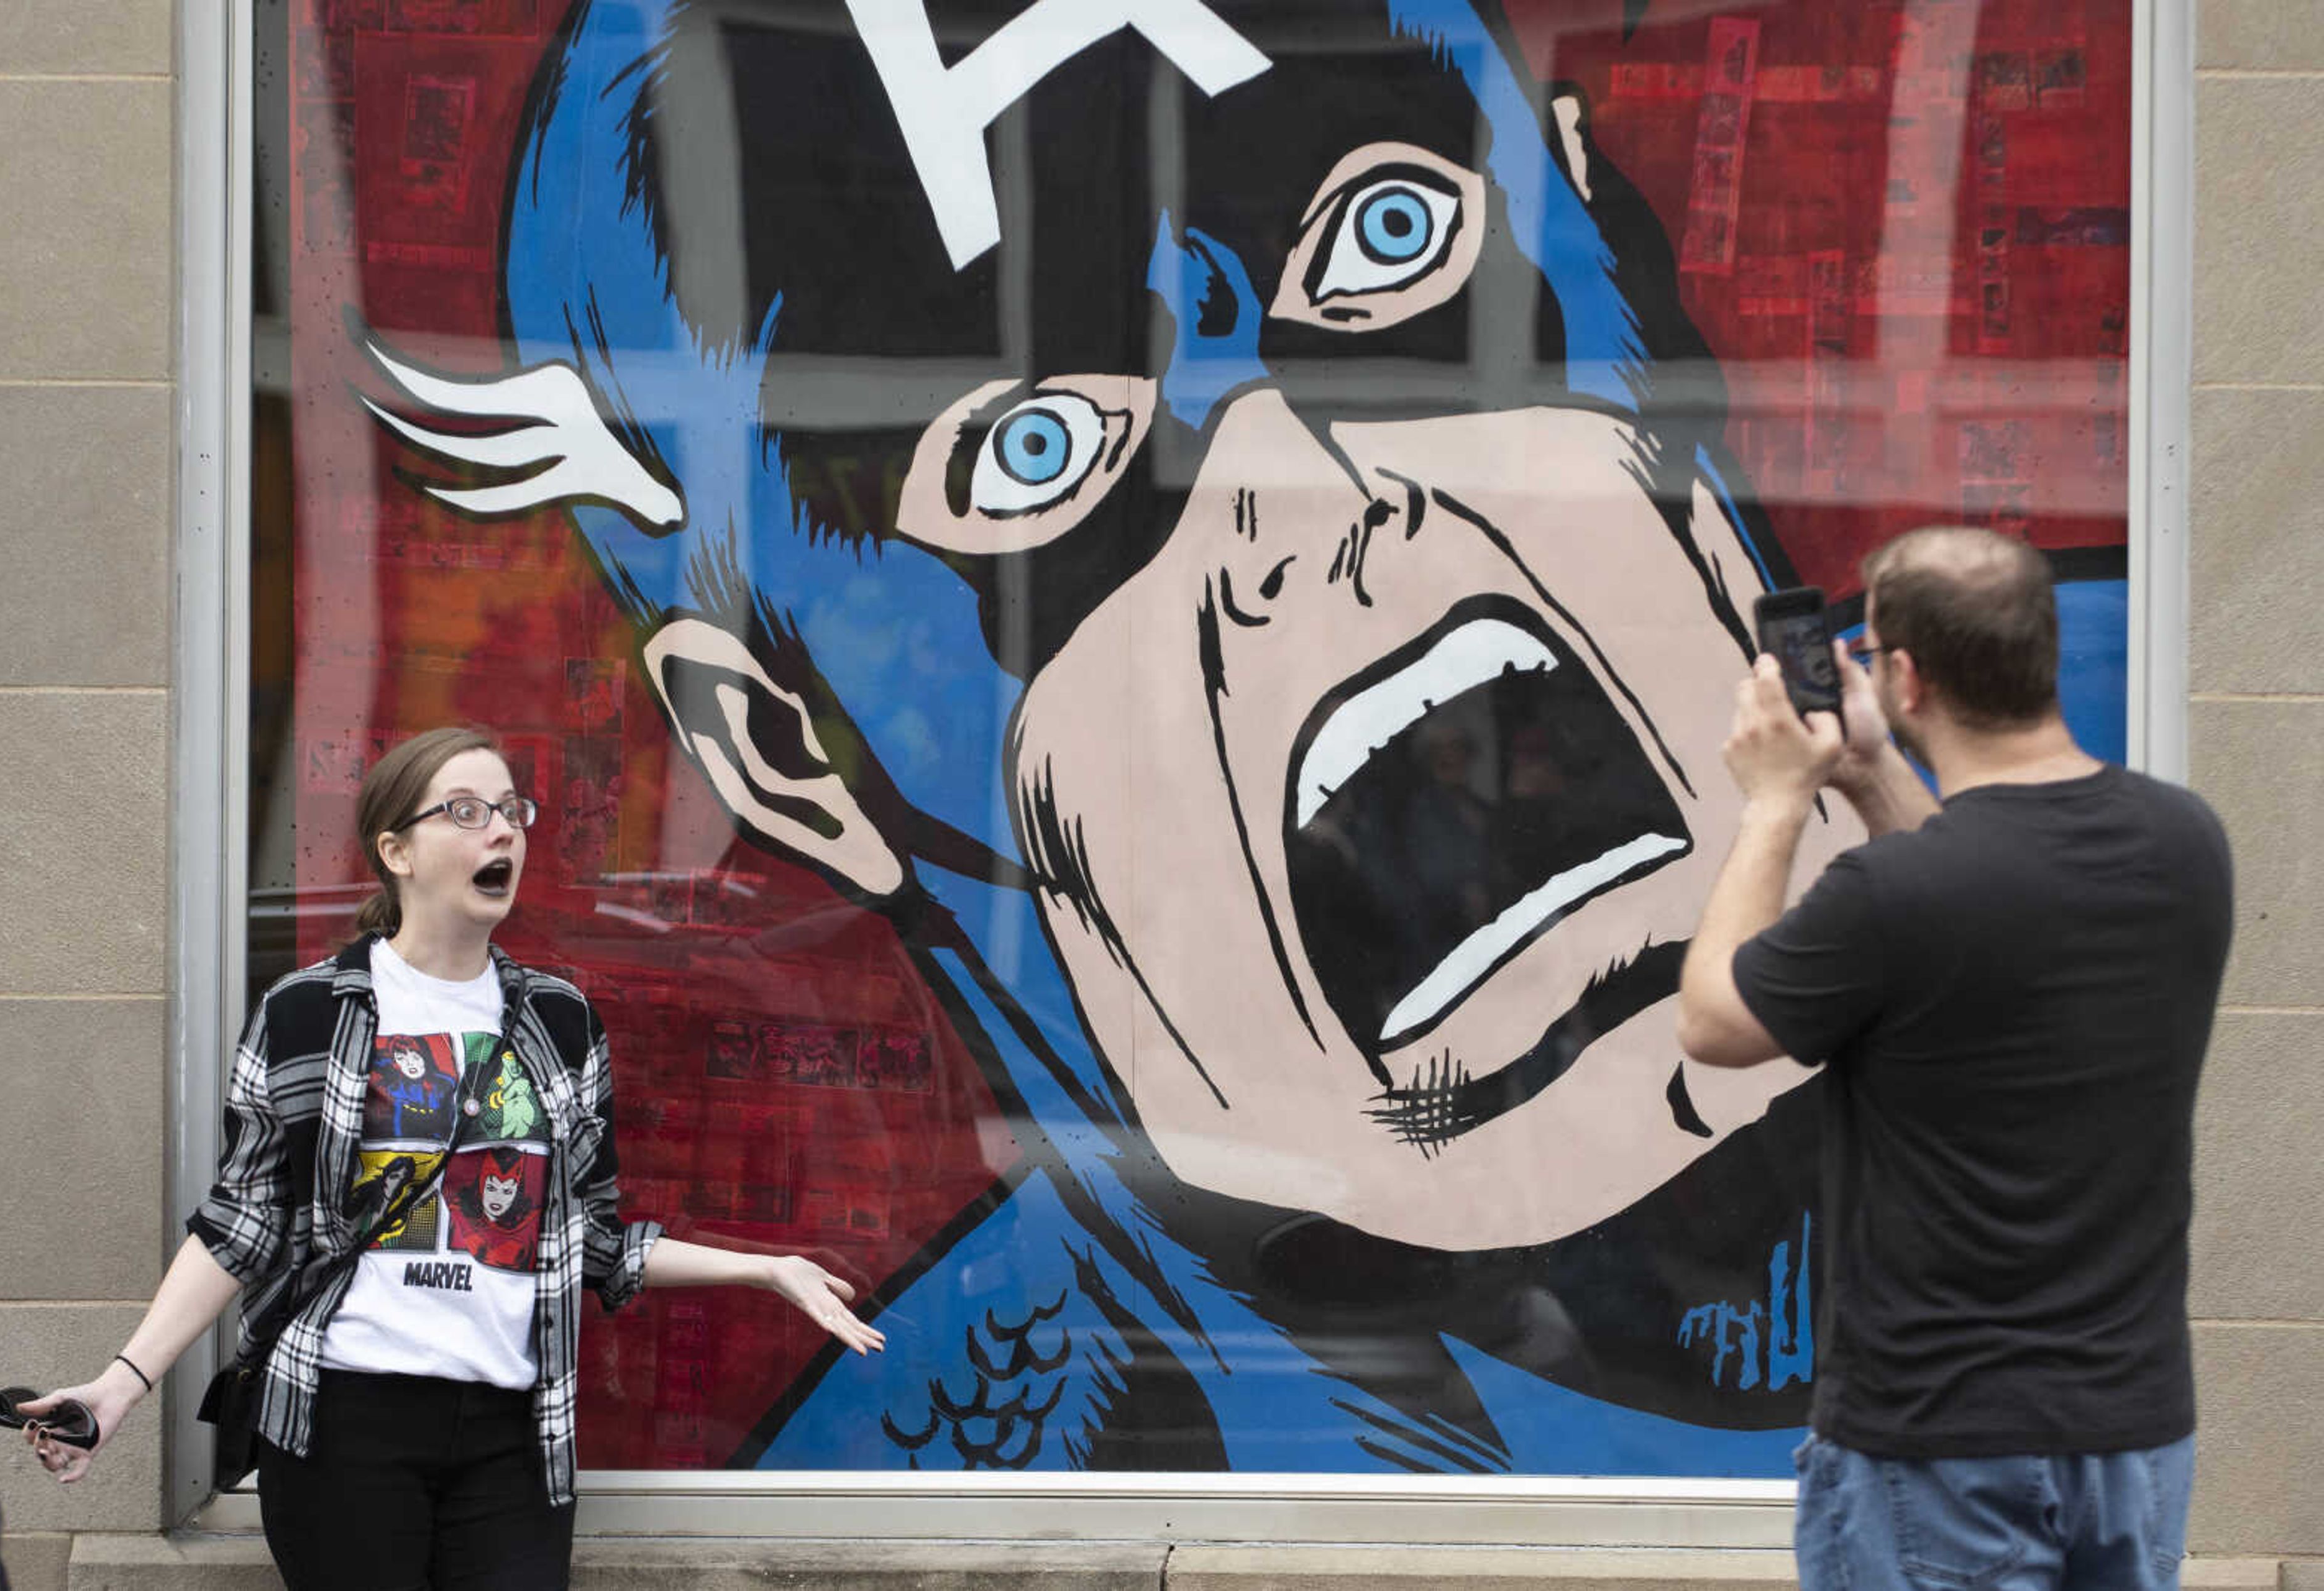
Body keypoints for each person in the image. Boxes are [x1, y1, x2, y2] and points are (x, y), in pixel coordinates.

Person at [360, 0, 1866, 1470]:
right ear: (788, 752)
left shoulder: (2070, 775)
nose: (1302, 490)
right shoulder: (957, 1478)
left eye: (1390, 232)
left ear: (1614, 255)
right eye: (1036, 456)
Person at [11, 725, 884, 1591]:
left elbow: (595, 1238)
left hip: (512, 1432)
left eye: (510, 810)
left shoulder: (560, 1022)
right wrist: (120, 1387)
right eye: (465, 811)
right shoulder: (307, 1013)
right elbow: (242, 1222)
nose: (501, 830)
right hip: (344, 1420)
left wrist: (769, 1270)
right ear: (396, 849)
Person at [1675, 526, 2232, 1589]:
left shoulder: (1893, 901)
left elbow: (1714, 1021)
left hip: (1938, 1443)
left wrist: (1778, 800)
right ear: (2042, 650)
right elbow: (1978, 894)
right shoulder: (2184, 841)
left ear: (1906, 675)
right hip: (2133, 1431)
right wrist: (1876, 766)